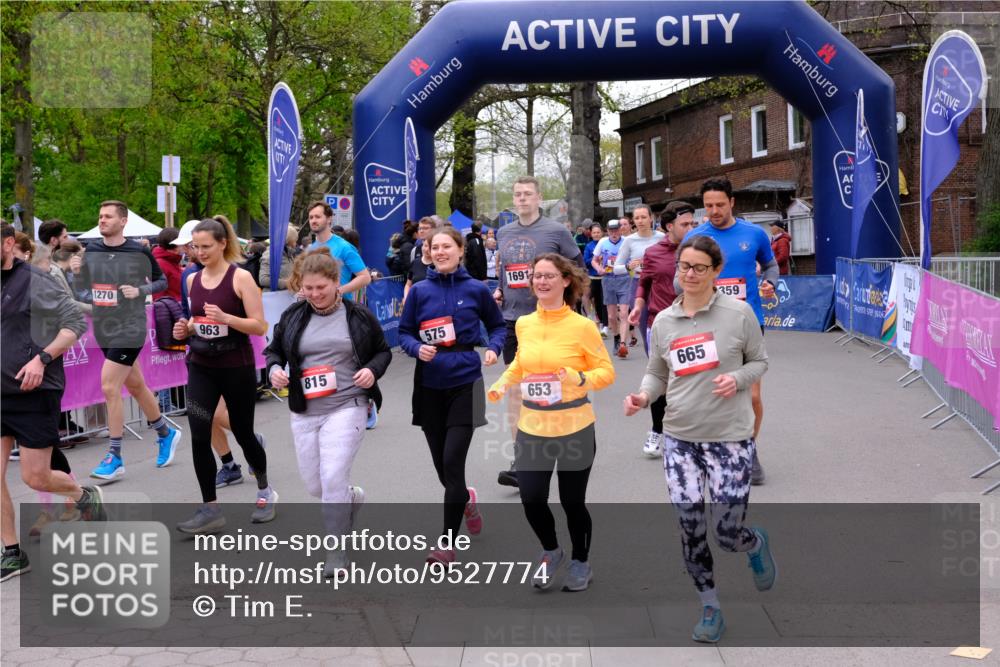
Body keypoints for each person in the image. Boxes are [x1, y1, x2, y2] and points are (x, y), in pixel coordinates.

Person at [623, 235, 775, 643]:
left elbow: (760, 361)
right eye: (684, 266)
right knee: (690, 527)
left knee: (726, 534)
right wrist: (642, 396)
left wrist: (737, 378)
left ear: (716, 272)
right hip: (680, 438)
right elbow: (658, 373)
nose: (689, 274)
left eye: (699, 268)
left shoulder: (739, 314)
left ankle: (753, 541)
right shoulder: (664, 322)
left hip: (729, 437)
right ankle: (710, 606)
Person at [488, 253, 614, 591]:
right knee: (531, 497)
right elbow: (520, 364)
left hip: (575, 425)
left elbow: (606, 373)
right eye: (536, 276)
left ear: (566, 280)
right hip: (533, 426)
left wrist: (575, 376)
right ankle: (551, 550)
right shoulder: (524, 323)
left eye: (548, 276)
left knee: (573, 502)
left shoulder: (583, 326)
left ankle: (580, 561)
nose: (541, 282)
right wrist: (502, 383)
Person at [265, 247, 391, 574]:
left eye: (321, 287)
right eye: (308, 288)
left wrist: (372, 371)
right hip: (305, 408)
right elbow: (274, 351)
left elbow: (381, 352)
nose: (315, 294)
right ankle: (349, 497)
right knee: (316, 486)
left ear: (336, 282)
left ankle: (336, 551)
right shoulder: (294, 315)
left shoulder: (358, 315)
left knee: (332, 476)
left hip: (348, 403)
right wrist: (274, 369)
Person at [1, 223, 105, 583]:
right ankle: (12, 553)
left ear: (9, 243)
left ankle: (81, 494)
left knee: (35, 476)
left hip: (33, 390)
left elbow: (74, 322)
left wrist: (41, 359)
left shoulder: (34, 279)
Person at [399, 227, 506, 566]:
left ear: (461, 250)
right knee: (442, 469)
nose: (441, 251)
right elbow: (404, 332)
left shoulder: (476, 289)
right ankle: (466, 499)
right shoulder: (419, 292)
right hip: (429, 384)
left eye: (448, 246)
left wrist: (493, 348)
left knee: (452, 463)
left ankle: (447, 544)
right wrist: (417, 348)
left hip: (466, 381)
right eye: (435, 247)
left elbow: (499, 325)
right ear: (428, 252)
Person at [172, 218, 274, 533]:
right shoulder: (191, 280)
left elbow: (260, 325)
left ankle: (265, 490)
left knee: (243, 433)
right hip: (202, 365)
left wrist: (228, 318)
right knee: (200, 434)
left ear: (221, 244)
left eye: (205, 247)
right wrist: (185, 328)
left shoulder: (240, 277)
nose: (199, 252)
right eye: (195, 247)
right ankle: (210, 508)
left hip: (236, 365)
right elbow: (196, 320)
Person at [72, 201, 180, 480]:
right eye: (100, 216)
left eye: (107, 216)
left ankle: (115, 456)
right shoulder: (91, 251)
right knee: (136, 385)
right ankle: (165, 434)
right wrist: (83, 284)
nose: (102, 220)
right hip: (104, 328)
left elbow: (160, 283)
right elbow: (81, 290)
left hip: (130, 327)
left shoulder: (139, 250)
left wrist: (139, 290)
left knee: (109, 386)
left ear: (123, 221)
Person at [685, 178, 777, 485]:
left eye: (719, 205)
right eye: (708, 205)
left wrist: (770, 283)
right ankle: (710, 451)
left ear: (732, 202)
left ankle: (748, 450)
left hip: (747, 322)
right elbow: (680, 277)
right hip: (709, 321)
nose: (713, 211)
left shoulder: (753, 234)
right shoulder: (696, 237)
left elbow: (771, 265)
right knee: (712, 391)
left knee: (751, 394)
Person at [494, 176, 584, 489]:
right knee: (517, 389)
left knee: (553, 386)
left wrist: (569, 306)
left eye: (527, 194)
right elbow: (505, 271)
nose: (522, 199)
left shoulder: (556, 231)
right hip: (512, 321)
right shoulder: (503, 232)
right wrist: (500, 291)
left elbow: (577, 269)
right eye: (517, 194)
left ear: (538, 198)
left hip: (550, 320)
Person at [628, 201, 695, 457]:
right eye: (685, 224)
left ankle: (688, 433)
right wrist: (637, 305)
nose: (691, 228)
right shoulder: (654, 253)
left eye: (693, 223)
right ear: (670, 226)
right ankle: (657, 430)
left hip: (694, 321)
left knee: (693, 377)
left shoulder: (699, 250)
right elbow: (644, 282)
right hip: (658, 323)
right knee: (661, 379)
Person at [615, 204, 664, 353]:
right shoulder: (629, 241)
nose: (640, 221)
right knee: (645, 328)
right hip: (638, 284)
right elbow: (616, 269)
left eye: (643, 217)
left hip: (659, 285)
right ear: (633, 221)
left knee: (662, 325)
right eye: (637, 218)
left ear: (651, 218)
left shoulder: (662, 238)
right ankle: (652, 363)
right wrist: (629, 267)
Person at [306, 201, 371, 300]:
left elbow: (365, 277)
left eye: (318, 217)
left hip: (340, 307)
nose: (313, 221)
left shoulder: (344, 247)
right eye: (311, 217)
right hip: (315, 307)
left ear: (329, 219)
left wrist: (338, 291)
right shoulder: (310, 249)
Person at [591, 220, 629, 357]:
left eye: (616, 230)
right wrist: (598, 268)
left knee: (624, 313)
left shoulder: (626, 241)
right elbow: (593, 260)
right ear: (607, 231)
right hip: (608, 280)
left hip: (624, 279)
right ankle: (617, 337)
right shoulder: (603, 242)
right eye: (611, 231)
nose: (614, 233)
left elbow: (633, 257)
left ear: (620, 230)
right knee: (612, 316)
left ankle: (623, 344)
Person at [582, 223, 609, 338]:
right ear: (591, 234)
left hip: (606, 277)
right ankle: (595, 319)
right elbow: (586, 261)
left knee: (604, 301)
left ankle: (605, 325)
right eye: (594, 233)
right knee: (596, 301)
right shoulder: (589, 246)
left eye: (598, 232)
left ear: (602, 233)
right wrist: (596, 259)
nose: (596, 234)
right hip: (593, 277)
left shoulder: (606, 243)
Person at [403, 217, 437, 301]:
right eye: (420, 228)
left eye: (425, 228)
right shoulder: (415, 250)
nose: (421, 231)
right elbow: (409, 280)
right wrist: (407, 298)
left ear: (434, 230)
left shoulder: (440, 253)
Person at [259, 226, 301, 291]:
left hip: (286, 296)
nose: (295, 244)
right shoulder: (270, 255)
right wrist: (286, 283)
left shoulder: (288, 254)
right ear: (288, 240)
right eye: (294, 241)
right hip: (274, 298)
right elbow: (263, 279)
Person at [152, 227, 183, 301]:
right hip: (170, 310)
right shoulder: (161, 264)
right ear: (175, 245)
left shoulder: (173, 260)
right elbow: (158, 297)